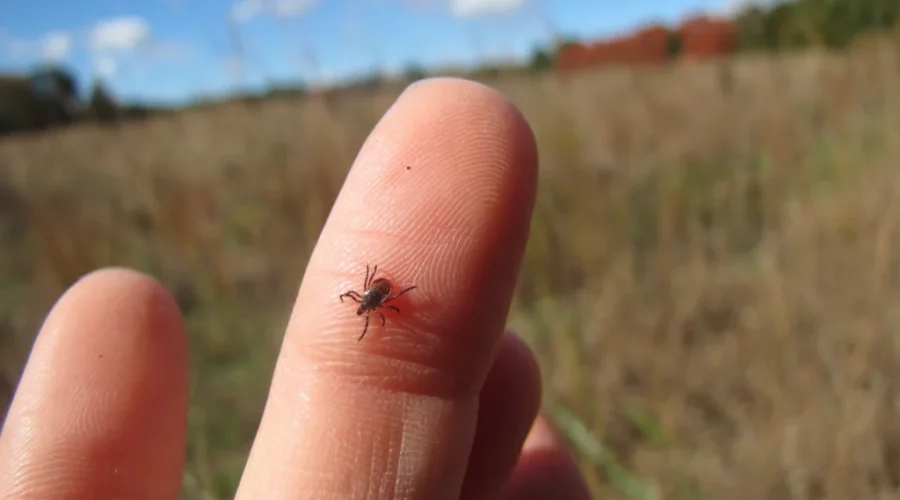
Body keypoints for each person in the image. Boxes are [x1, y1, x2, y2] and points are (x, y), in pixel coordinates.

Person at [0, 78, 591, 499]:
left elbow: (378, 295)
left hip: (393, 280)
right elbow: (374, 295)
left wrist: (376, 298)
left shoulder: (378, 300)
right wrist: (372, 300)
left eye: (368, 302)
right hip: (388, 281)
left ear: (370, 298)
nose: (368, 305)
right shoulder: (373, 299)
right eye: (368, 302)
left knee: (402, 299)